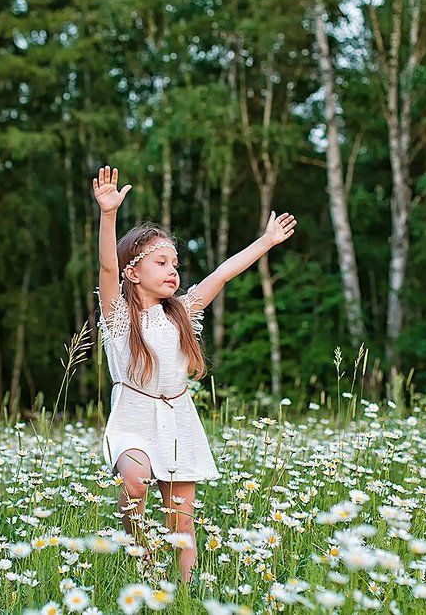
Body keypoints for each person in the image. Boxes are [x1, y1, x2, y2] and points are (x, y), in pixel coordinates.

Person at [91, 164, 297, 583]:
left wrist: (267, 240)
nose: (173, 271)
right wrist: (108, 215)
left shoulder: (181, 314)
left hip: (179, 420)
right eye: (161, 262)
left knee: (182, 526)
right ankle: (141, 558)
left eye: (176, 263)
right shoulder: (118, 319)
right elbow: (108, 270)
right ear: (134, 272)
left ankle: (185, 595)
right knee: (134, 481)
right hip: (133, 417)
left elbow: (222, 272)